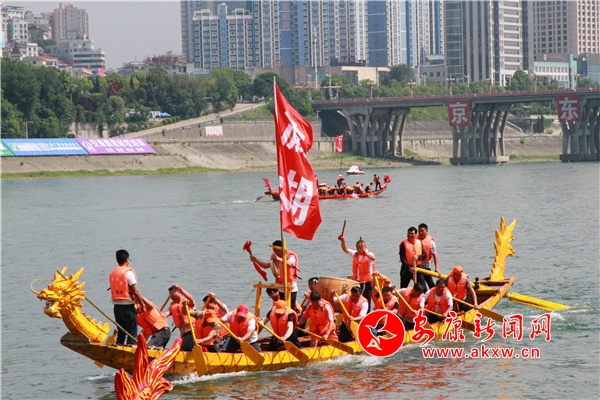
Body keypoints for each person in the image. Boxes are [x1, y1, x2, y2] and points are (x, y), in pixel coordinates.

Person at [250, 240, 300, 312]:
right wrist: (255, 260)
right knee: (283, 305)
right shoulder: (275, 258)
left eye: (275, 250)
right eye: (273, 250)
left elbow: (289, 263)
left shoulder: (291, 256)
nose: (274, 252)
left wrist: (278, 259)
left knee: (291, 307)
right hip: (280, 286)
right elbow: (266, 265)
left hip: (290, 285)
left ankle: (293, 319)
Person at [109, 249, 145, 345]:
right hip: (128, 307)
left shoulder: (113, 272)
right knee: (132, 333)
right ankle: (131, 352)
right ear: (127, 260)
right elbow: (136, 291)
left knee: (121, 332)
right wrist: (142, 305)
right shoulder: (128, 273)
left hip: (116, 307)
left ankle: (119, 349)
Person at [339, 235, 376, 312]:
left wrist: (365, 253)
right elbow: (345, 249)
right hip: (357, 281)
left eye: (361, 248)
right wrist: (342, 241)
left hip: (367, 282)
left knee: (366, 299)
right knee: (357, 299)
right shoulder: (355, 254)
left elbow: (373, 258)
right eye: (358, 248)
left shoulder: (369, 254)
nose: (359, 250)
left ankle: (366, 315)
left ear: (365, 247)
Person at [163, 284, 196, 352]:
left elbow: (191, 299)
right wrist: (160, 317)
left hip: (192, 330)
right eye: (169, 294)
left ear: (178, 292)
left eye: (172, 293)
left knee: (185, 348)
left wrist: (180, 288)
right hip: (183, 333)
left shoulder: (186, 300)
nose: (170, 296)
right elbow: (166, 313)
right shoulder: (172, 305)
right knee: (183, 346)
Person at [417, 223, 440, 290]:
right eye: (419, 231)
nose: (420, 233)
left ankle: (435, 293)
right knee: (421, 284)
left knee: (430, 282)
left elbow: (434, 255)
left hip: (426, 265)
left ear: (427, 231)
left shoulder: (431, 242)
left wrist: (437, 268)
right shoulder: (415, 240)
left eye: (422, 231)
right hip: (417, 265)